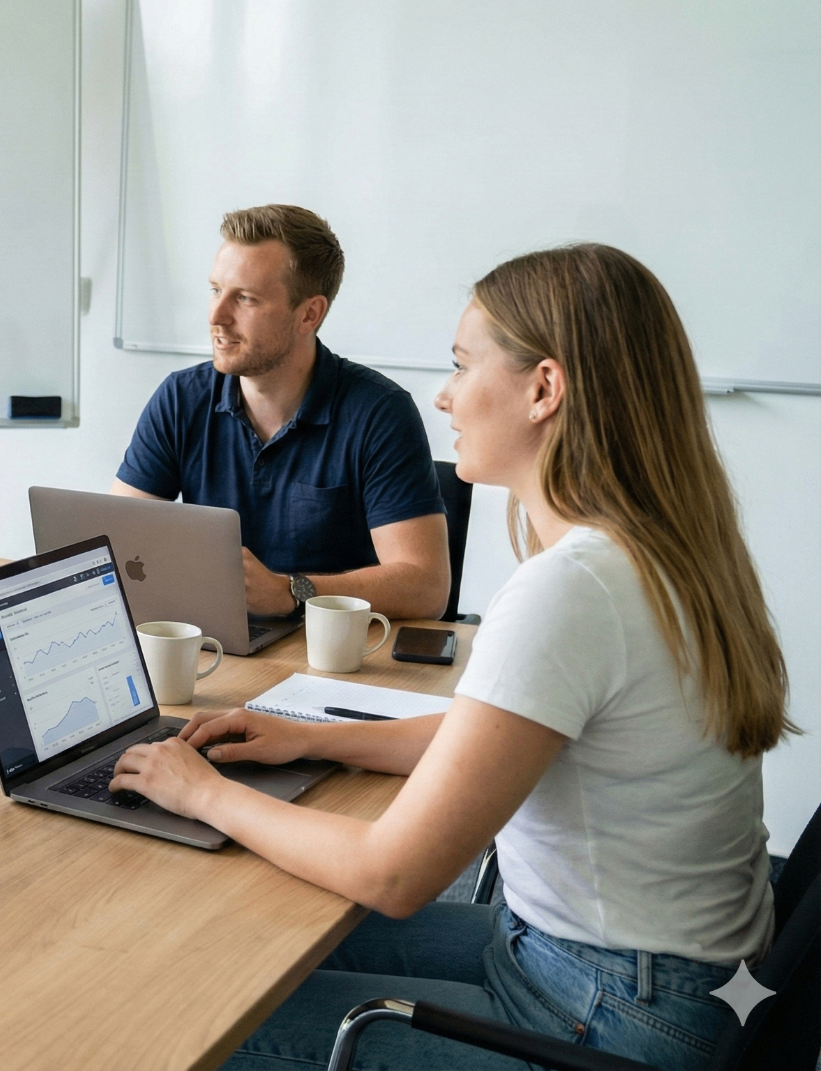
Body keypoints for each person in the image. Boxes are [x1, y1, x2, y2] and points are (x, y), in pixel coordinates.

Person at [111, 243, 789, 1069]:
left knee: (192, 1018)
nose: (444, 393)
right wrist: (311, 736)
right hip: (641, 974)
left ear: (544, 389)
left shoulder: (573, 589)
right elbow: (491, 733)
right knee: (246, 939)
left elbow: (393, 874)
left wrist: (203, 792)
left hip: (611, 1013)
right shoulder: (650, 552)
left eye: (463, 365)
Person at [112, 204, 450, 620]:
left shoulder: (379, 412)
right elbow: (117, 540)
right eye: (216, 290)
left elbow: (425, 586)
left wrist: (292, 591)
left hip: (329, 646)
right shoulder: (181, 398)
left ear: (309, 314)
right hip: (217, 637)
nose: (216, 317)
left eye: (245, 299)